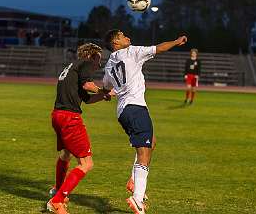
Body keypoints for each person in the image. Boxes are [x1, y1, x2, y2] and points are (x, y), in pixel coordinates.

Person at [103, 30, 187, 214]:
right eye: (123, 35)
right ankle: (138, 199)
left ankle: (134, 180)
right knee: (144, 153)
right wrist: (175, 41)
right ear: (116, 42)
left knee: (151, 142)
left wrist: (109, 93)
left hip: (123, 112)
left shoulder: (109, 64)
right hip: (135, 107)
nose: (127, 37)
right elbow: (159, 48)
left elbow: (107, 86)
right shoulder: (132, 51)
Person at [47, 43, 112, 214]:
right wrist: (103, 90)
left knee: (65, 154)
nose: (99, 64)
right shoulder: (85, 63)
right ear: (91, 56)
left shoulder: (72, 67)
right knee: (86, 163)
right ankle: (57, 201)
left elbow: (87, 99)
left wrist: (102, 96)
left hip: (57, 115)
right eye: (98, 59)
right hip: (70, 118)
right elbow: (87, 85)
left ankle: (58, 190)